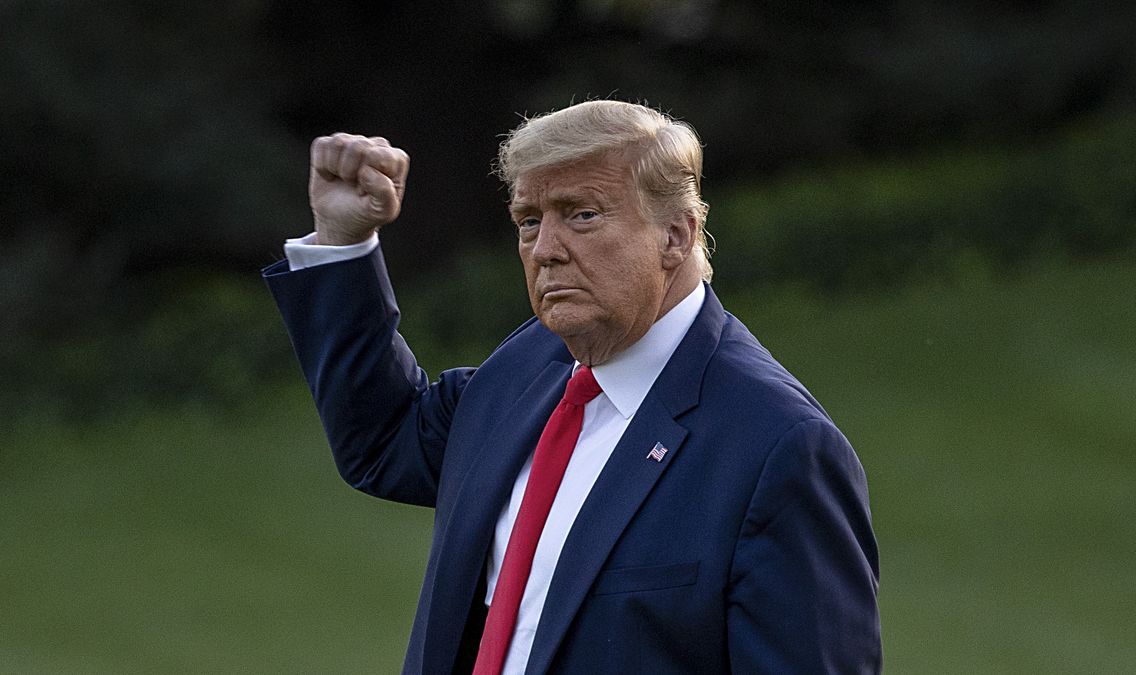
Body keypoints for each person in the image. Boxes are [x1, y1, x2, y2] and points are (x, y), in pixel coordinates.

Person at [264, 100, 881, 674]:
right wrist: (343, 244)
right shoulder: (529, 364)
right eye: (529, 221)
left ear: (677, 235)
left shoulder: (780, 448)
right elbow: (386, 440)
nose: (546, 251)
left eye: (582, 214)